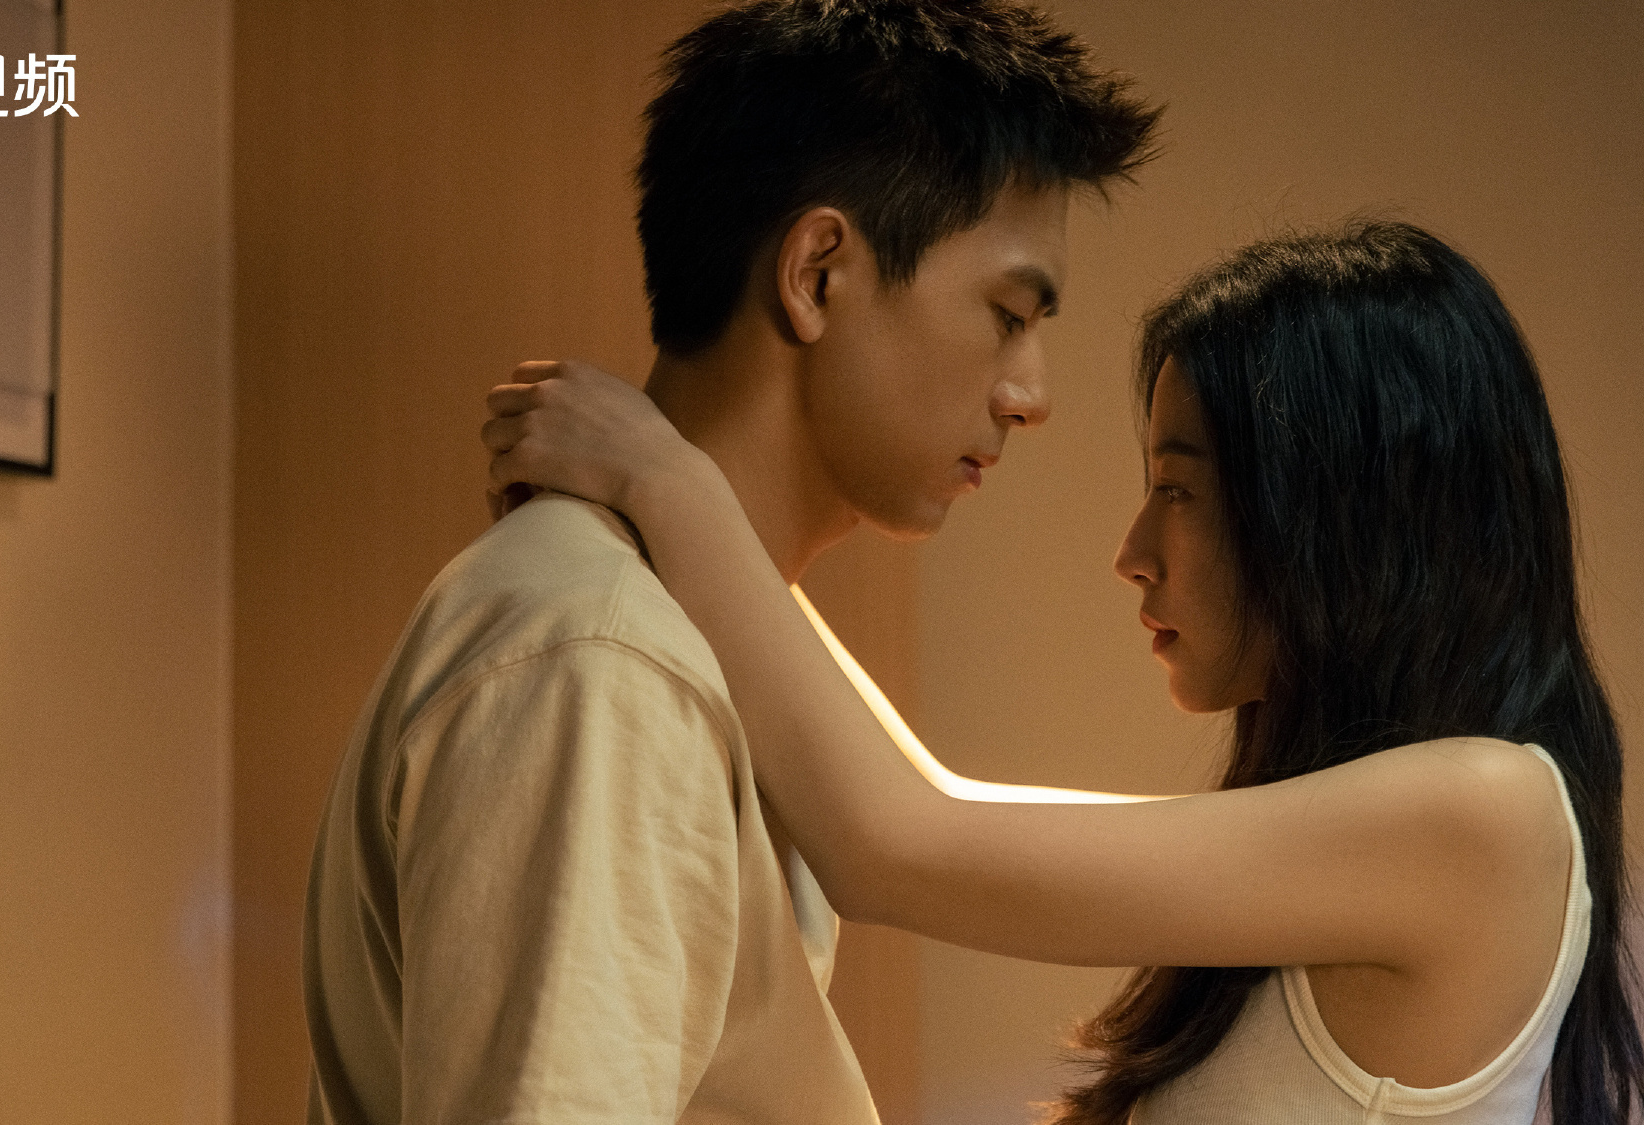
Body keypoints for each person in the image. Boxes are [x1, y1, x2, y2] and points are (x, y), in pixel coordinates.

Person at [482, 220, 1644, 1124]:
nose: (1132, 551)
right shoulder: (1411, 828)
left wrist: (667, 480)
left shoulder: (1483, 816)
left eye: (1177, 488)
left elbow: (893, 841)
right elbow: (919, 803)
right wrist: (699, 504)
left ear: (1340, 513)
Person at [301, 2, 1159, 1123]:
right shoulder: (605, 660)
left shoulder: (679, 623)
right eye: (1007, 315)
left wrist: (668, 484)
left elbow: (909, 823)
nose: (1029, 395)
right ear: (816, 273)